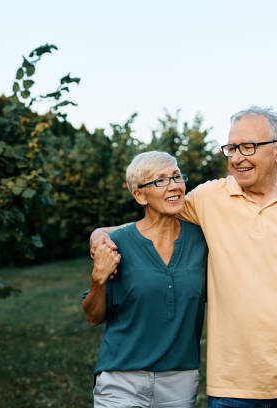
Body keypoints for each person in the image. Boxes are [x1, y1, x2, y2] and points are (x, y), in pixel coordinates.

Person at [90, 106, 277, 407]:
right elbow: (154, 218)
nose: (236, 157)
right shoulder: (208, 198)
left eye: (248, 147)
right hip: (233, 387)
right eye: (231, 148)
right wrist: (100, 233)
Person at [82, 151, 208, 408]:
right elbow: (93, 317)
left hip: (180, 380)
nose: (173, 185)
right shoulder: (118, 244)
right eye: (160, 180)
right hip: (121, 378)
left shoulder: (202, 240)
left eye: (176, 176)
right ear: (140, 195)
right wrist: (98, 280)